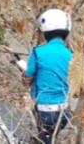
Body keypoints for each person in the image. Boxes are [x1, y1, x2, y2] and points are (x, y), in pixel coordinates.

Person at [23, 9, 73, 143]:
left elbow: (27, 80)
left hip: (44, 110)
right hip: (64, 111)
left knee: (45, 138)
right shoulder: (71, 55)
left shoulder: (38, 52)